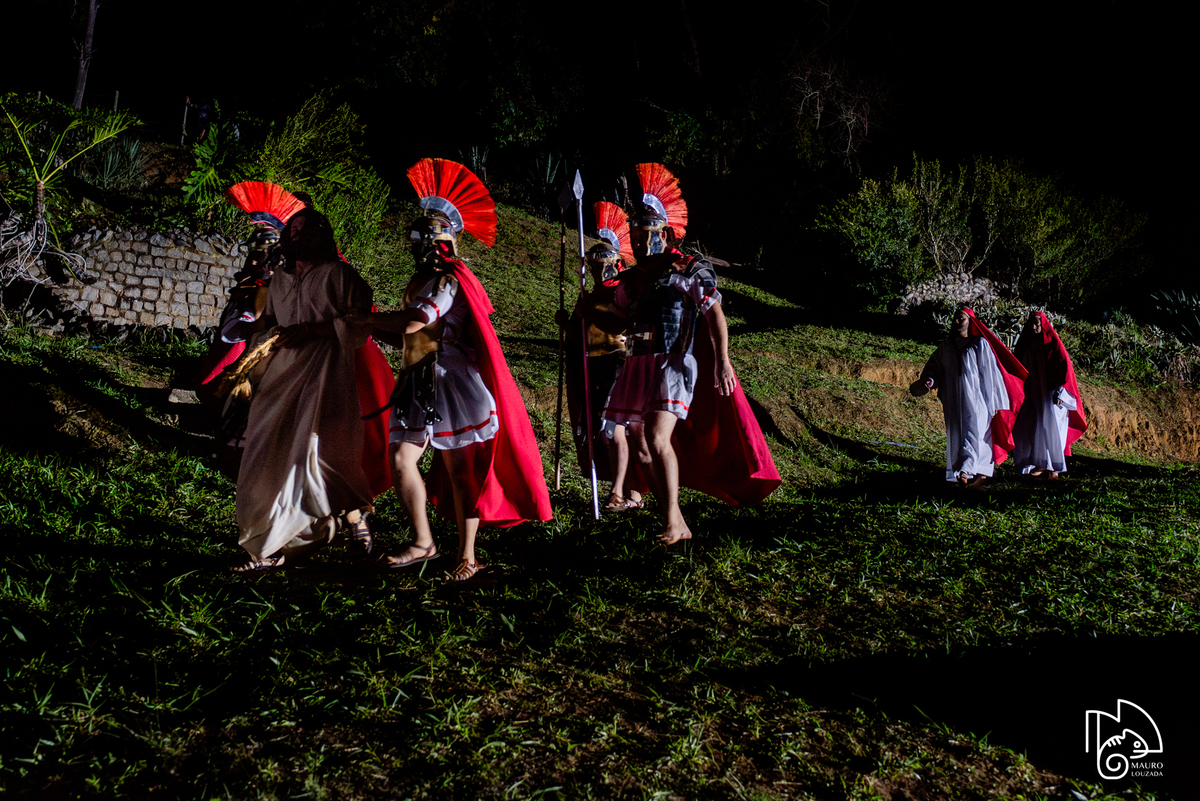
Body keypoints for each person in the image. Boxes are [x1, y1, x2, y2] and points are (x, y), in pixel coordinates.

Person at [349, 158, 552, 580]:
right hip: (418, 375)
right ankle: (424, 541)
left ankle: (467, 556)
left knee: (461, 471)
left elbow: (413, 323)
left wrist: (369, 320)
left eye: (426, 239)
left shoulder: (450, 280)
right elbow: (408, 337)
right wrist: (371, 328)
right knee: (402, 458)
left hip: (453, 382)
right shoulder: (421, 281)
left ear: (443, 242)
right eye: (417, 239)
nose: (419, 246)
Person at [602, 163, 780, 544]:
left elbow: (714, 312)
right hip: (637, 364)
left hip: (671, 362)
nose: (636, 238)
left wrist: (723, 360)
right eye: (632, 230)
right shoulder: (633, 280)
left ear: (664, 232)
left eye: (643, 229)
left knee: (656, 436)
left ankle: (670, 522)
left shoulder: (686, 266)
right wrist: (585, 315)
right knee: (642, 444)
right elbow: (617, 320)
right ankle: (676, 521)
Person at [232, 207, 377, 570]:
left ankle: (340, 522)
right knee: (266, 451)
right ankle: (269, 538)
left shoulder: (339, 275)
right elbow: (269, 322)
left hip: (324, 374)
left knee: (312, 453)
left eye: (303, 230)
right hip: (280, 376)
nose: (295, 236)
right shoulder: (278, 280)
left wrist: (312, 331)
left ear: (320, 235)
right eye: (291, 230)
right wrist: (253, 330)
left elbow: (358, 323)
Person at [558, 201, 644, 511]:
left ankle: (622, 493)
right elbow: (581, 333)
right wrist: (566, 324)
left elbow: (619, 324)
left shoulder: (622, 292)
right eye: (593, 268)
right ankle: (623, 490)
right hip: (590, 365)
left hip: (615, 363)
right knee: (598, 429)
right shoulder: (589, 298)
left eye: (601, 266)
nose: (598, 272)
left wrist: (589, 310)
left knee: (613, 428)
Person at [910, 307, 1028, 486]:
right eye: (955, 318)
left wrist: (995, 401)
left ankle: (965, 470)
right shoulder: (945, 347)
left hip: (979, 400)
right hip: (953, 401)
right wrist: (929, 381)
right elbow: (934, 368)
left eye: (962, 318)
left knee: (974, 433)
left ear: (970, 322)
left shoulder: (980, 344)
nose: (957, 321)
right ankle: (976, 472)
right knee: (958, 433)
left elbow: (991, 374)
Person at [1011, 310, 1087, 479]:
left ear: (1043, 326)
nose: (1034, 327)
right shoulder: (1026, 345)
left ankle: (1054, 468)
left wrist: (1061, 392)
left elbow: (1064, 369)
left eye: (1037, 324)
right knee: (1032, 426)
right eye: (1032, 324)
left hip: (1051, 393)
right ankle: (1039, 463)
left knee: (1052, 428)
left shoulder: (1053, 345)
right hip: (1032, 391)